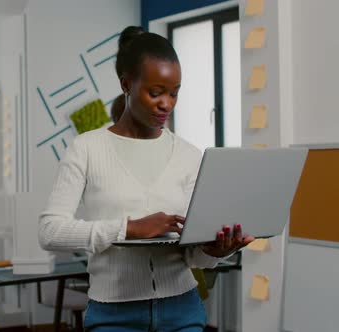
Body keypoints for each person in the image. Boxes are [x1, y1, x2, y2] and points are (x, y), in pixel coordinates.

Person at [39, 26, 254, 332]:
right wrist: (128, 228)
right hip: (114, 315)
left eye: (174, 93)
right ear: (126, 84)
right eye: (155, 92)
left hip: (183, 310)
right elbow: (50, 231)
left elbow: (193, 255)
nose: (166, 103)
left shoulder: (189, 154)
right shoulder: (86, 149)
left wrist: (215, 251)